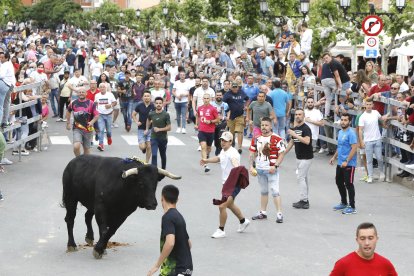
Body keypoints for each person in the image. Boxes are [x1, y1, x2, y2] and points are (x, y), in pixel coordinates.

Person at [200, 131, 250, 239]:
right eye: (222, 140)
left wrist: (237, 165)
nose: (222, 142)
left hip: (233, 184)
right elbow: (219, 158)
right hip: (226, 184)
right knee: (230, 205)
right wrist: (206, 160)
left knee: (222, 206)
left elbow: (235, 161)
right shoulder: (223, 151)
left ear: (231, 142)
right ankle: (243, 221)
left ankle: (221, 230)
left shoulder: (233, 153)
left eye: (225, 141)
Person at [147, 185, 193, 276]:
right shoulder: (179, 216)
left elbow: (170, 242)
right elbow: (188, 244)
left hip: (175, 269)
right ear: (177, 199)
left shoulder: (168, 217)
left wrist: (157, 265)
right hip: (186, 267)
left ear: (162, 198)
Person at [249, 117, 286, 223]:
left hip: (271, 170)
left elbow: (282, 153)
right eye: (262, 125)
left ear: (271, 126)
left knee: (275, 191)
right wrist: (251, 166)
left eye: (266, 125)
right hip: (260, 169)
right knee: (264, 191)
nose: (264, 127)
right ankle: (263, 212)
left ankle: (279, 214)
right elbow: (252, 152)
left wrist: (275, 166)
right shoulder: (256, 138)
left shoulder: (277, 138)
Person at [330, 222, 398, 276]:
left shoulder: (386, 264)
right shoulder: (343, 264)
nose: (367, 243)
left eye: (370, 238)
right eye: (362, 238)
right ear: (357, 240)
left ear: (376, 239)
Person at [329, 114, 358, 215]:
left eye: (345, 120)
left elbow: (354, 147)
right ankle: (344, 202)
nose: (343, 122)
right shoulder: (341, 132)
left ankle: (352, 206)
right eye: (342, 120)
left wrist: (347, 161)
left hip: (349, 164)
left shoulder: (351, 133)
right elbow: (340, 147)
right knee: (339, 182)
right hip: (340, 163)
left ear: (349, 122)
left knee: (349, 184)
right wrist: (334, 157)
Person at [285, 108, 313, 209]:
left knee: (300, 177)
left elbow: (307, 141)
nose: (297, 116)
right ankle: (305, 199)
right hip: (299, 157)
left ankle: (304, 200)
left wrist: (294, 134)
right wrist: (283, 153)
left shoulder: (306, 128)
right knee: (303, 178)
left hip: (306, 157)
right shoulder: (295, 128)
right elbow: (292, 142)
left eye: (300, 114)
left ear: (303, 116)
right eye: (296, 114)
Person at [358, 98, 385, 183]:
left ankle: (381, 172)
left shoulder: (376, 112)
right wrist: (361, 141)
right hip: (368, 141)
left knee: (379, 158)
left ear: (372, 105)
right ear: (365, 105)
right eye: (367, 104)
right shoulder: (362, 117)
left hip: (377, 139)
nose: (369, 106)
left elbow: (381, 120)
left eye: (370, 104)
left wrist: (384, 124)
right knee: (369, 160)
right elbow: (360, 130)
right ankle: (370, 176)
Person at [65, 89, 99, 156]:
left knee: (86, 149)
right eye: (79, 92)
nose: (81, 93)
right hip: (77, 128)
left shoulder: (91, 103)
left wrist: (91, 122)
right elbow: (68, 111)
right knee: (76, 146)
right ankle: (79, 160)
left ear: (86, 93)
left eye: (83, 92)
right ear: (77, 94)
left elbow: (97, 115)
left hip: (88, 129)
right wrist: (68, 123)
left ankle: (85, 163)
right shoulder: (73, 103)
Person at [223, 81, 249, 154]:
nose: (234, 88)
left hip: (240, 115)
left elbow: (247, 99)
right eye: (233, 87)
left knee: (240, 131)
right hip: (231, 116)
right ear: (231, 87)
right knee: (231, 132)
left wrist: (246, 106)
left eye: (236, 87)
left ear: (238, 87)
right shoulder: (228, 94)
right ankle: (232, 145)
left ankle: (240, 147)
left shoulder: (241, 92)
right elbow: (223, 103)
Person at [146, 97, 171, 169]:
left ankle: (163, 169)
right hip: (154, 138)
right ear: (154, 104)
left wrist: (159, 129)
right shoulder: (151, 114)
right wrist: (147, 129)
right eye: (157, 103)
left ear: (163, 104)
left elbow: (169, 128)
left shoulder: (166, 114)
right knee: (154, 155)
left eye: (160, 103)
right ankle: (154, 171)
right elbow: (148, 120)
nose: (158, 105)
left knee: (163, 155)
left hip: (163, 138)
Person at [196, 93, 219, 173]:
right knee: (203, 146)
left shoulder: (213, 109)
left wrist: (210, 121)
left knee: (208, 148)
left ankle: (206, 156)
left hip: (210, 131)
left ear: (210, 99)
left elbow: (218, 119)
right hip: (202, 131)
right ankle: (206, 165)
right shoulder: (200, 108)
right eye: (204, 98)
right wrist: (197, 125)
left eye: (207, 98)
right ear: (202, 99)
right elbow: (198, 116)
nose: (206, 100)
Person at [132, 90, 154, 163]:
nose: (146, 97)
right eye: (145, 96)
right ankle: (143, 149)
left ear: (150, 97)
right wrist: (136, 121)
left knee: (149, 146)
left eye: (148, 96)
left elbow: (156, 116)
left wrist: (152, 122)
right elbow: (133, 114)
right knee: (143, 147)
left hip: (150, 129)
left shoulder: (153, 106)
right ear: (142, 97)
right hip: (141, 129)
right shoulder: (139, 105)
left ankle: (146, 162)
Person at [94, 83, 117, 151]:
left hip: (109, 114)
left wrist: (110, 105)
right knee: (101, 129)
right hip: (100, 114)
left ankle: (109, 137)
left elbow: (115, 102)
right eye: (100, 87)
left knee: (109, 131)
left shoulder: (110, 94)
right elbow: (95, 104)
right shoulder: (97, 95)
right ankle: (101, 144)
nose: (102, 88)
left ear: (106, 88)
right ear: (99, 88)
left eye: (103, 87)